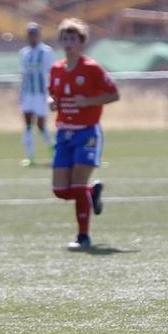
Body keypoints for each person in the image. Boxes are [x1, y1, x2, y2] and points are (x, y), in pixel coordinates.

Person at [48, 18, 119, 249]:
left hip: (87, 133)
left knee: (77, 186)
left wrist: (88, 101)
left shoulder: (91, 68)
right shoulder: (56, 69)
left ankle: (83, 236)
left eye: (73, 39)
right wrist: (51, 102)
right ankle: (92, 192)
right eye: (65, 39)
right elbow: (53, 94)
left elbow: (113, 94)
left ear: (82, 43)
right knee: (60, 190)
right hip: (63, 134)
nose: (68, 43)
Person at [19, 22, 56, 166]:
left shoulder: (46, 52)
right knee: (28, 124)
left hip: (41, 94)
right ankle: (30, 156)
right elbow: (23, 74)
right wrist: (21, 93)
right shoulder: (24, 53)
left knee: (41, 125)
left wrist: (51, 94)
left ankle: (53, 147)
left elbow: (50, 73)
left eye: (34, 34)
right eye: (29, 34)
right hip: (28, 93)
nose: (32, 37)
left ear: (39, 35)